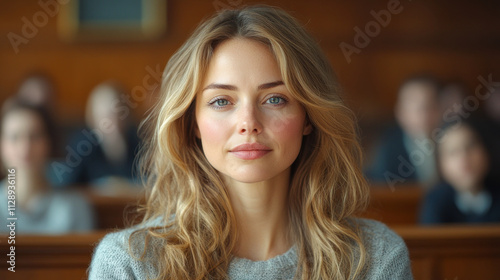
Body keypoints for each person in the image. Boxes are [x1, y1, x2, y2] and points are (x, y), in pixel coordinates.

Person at [89, 6, 412, 279]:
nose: (248, 124)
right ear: (193, 123)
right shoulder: (130, 264)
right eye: (221, 102)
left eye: (274, 99)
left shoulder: (375, 258)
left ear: (309, 117)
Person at [0, 100, 95, 234]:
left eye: (35, 136)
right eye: (14, 137)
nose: (25, 148)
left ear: (49, 143)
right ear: (2, 145)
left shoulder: (75, 208)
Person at [366, 74, 442, 188]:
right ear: (400, 112)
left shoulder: (454, 140)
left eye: (430, 107)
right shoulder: (387, 149)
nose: (424, 116)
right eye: (417, 108)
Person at [59, 82, 140, 186]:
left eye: (117, 114)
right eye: (105, 115)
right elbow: (69, 184)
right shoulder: (82, 145)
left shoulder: (137, 142)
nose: (112, 121)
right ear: (93, 117)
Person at [419, 121, 500, 224]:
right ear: (440, 164)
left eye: (470, 146)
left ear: (486, 151)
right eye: (453, 152)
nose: (464, 158)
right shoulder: (435, 202)